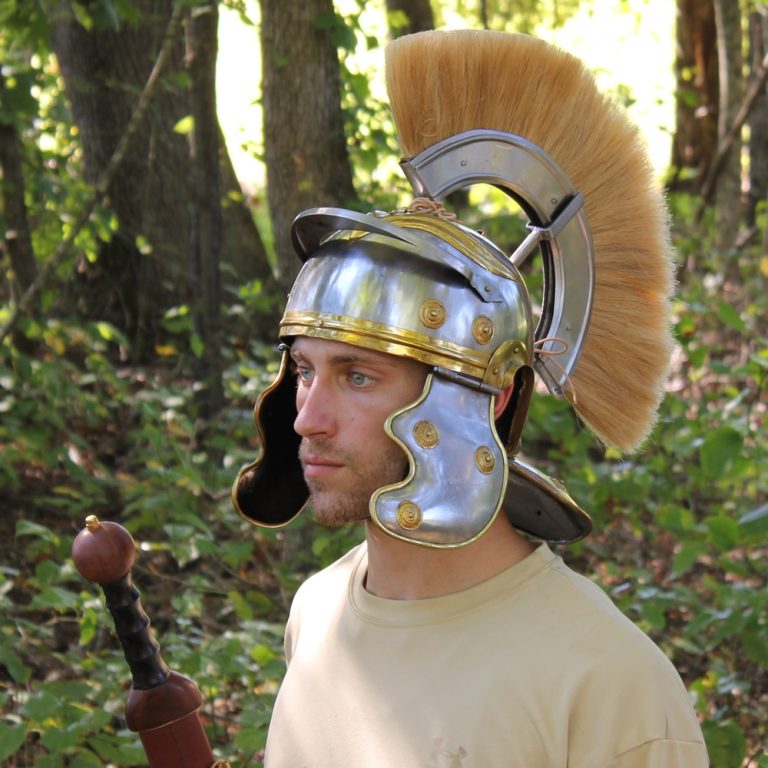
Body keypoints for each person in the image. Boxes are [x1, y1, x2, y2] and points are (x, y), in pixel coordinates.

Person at [232, 29, 709, 767]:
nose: (307, 417)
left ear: (488, 400)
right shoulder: (317, 615)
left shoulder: (606, 687)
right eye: (304, 370)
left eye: (358, 376)